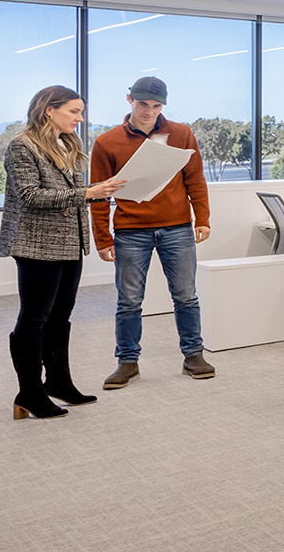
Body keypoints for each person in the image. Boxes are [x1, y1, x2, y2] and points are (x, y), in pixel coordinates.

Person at [0, 86, 126, 419]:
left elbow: (72, 195)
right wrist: (87, 192)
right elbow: (30, 196)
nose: (80, 119)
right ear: (48, 110)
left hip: (70, 243)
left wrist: (103, 192)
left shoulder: (67, 144)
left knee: (60, 316)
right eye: (74, 111)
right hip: (37, 245)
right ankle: (29, 392)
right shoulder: (21, 146)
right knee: (34, 318)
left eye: (81, 112)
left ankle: (58, 381)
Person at [91, 76, 214, 387]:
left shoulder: (182, 133)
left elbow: (195, 180)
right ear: (129, 99)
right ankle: (127, 362)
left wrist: (202, 219)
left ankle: (193, 355)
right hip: (131, 230)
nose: (149, 111)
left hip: (177, 227)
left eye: (156, 106)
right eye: (142, 104)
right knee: (129, 300)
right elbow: (99, 194)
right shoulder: (106, 143)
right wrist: (103, 238)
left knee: (186, 296)